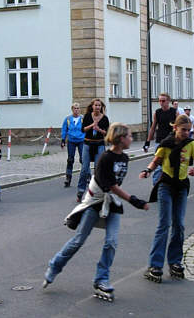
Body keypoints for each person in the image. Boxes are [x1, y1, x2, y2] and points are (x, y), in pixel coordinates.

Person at [43, 123, 149, 301]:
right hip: (96, 202)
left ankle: (101, 279)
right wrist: (134, 200)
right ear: (120, 138)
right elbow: (111, 186)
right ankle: (55, 266)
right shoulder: (105, 158)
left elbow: (115, 187)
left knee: (112, 242)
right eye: (129, 136)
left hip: (111, 203)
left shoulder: (124, 158)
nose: (132, 139)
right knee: (78, 241)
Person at [139, 114, 194, 282]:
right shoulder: (166, 144)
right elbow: (155, 161)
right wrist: (147, 171)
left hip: (181, 187)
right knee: (164, 224)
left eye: (189, 131)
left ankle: (175, 261)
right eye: (183, 130)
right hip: (165, 186)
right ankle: (155, 265)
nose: (186, 133)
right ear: (175, 128)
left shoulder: (191, 144)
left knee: (179, 225)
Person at [76, 98, 109, 202]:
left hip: (99, 144)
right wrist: (92, 125)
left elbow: (107, 133)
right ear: (92, 106)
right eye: (96, 105)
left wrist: (99, 129)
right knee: (85, 168)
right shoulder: (87, 116)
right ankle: (80, 191)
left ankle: (96, 192)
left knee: (97, 169)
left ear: (101, 107)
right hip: (87, 144)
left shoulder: (104, 118)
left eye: (99, 105)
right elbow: (83, 129)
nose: (97, 107)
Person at [143, 93, 177, 185]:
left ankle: (173, 186)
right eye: (160, 101)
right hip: (160, 141)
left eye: (163, 101)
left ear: (168, 101)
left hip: (171, 142)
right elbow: (153, 128)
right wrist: (147, 142)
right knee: (158, 165)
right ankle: (156, 187)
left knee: (172, 165)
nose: (161, 103)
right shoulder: (157, 112)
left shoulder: (174, 112)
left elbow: (178, 127)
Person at [61, 103, 85, 187]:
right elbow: (64, 129)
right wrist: (63, 140)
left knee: (83, 159)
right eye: (75, 108)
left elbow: (88, 129)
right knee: (70, 159)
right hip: (71, 141)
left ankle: (87, 176)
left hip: (81, 140)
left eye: (78, 108)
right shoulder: (68, 119)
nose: (76, 110)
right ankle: (68, 178)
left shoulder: (83, 118)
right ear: (72, 109)